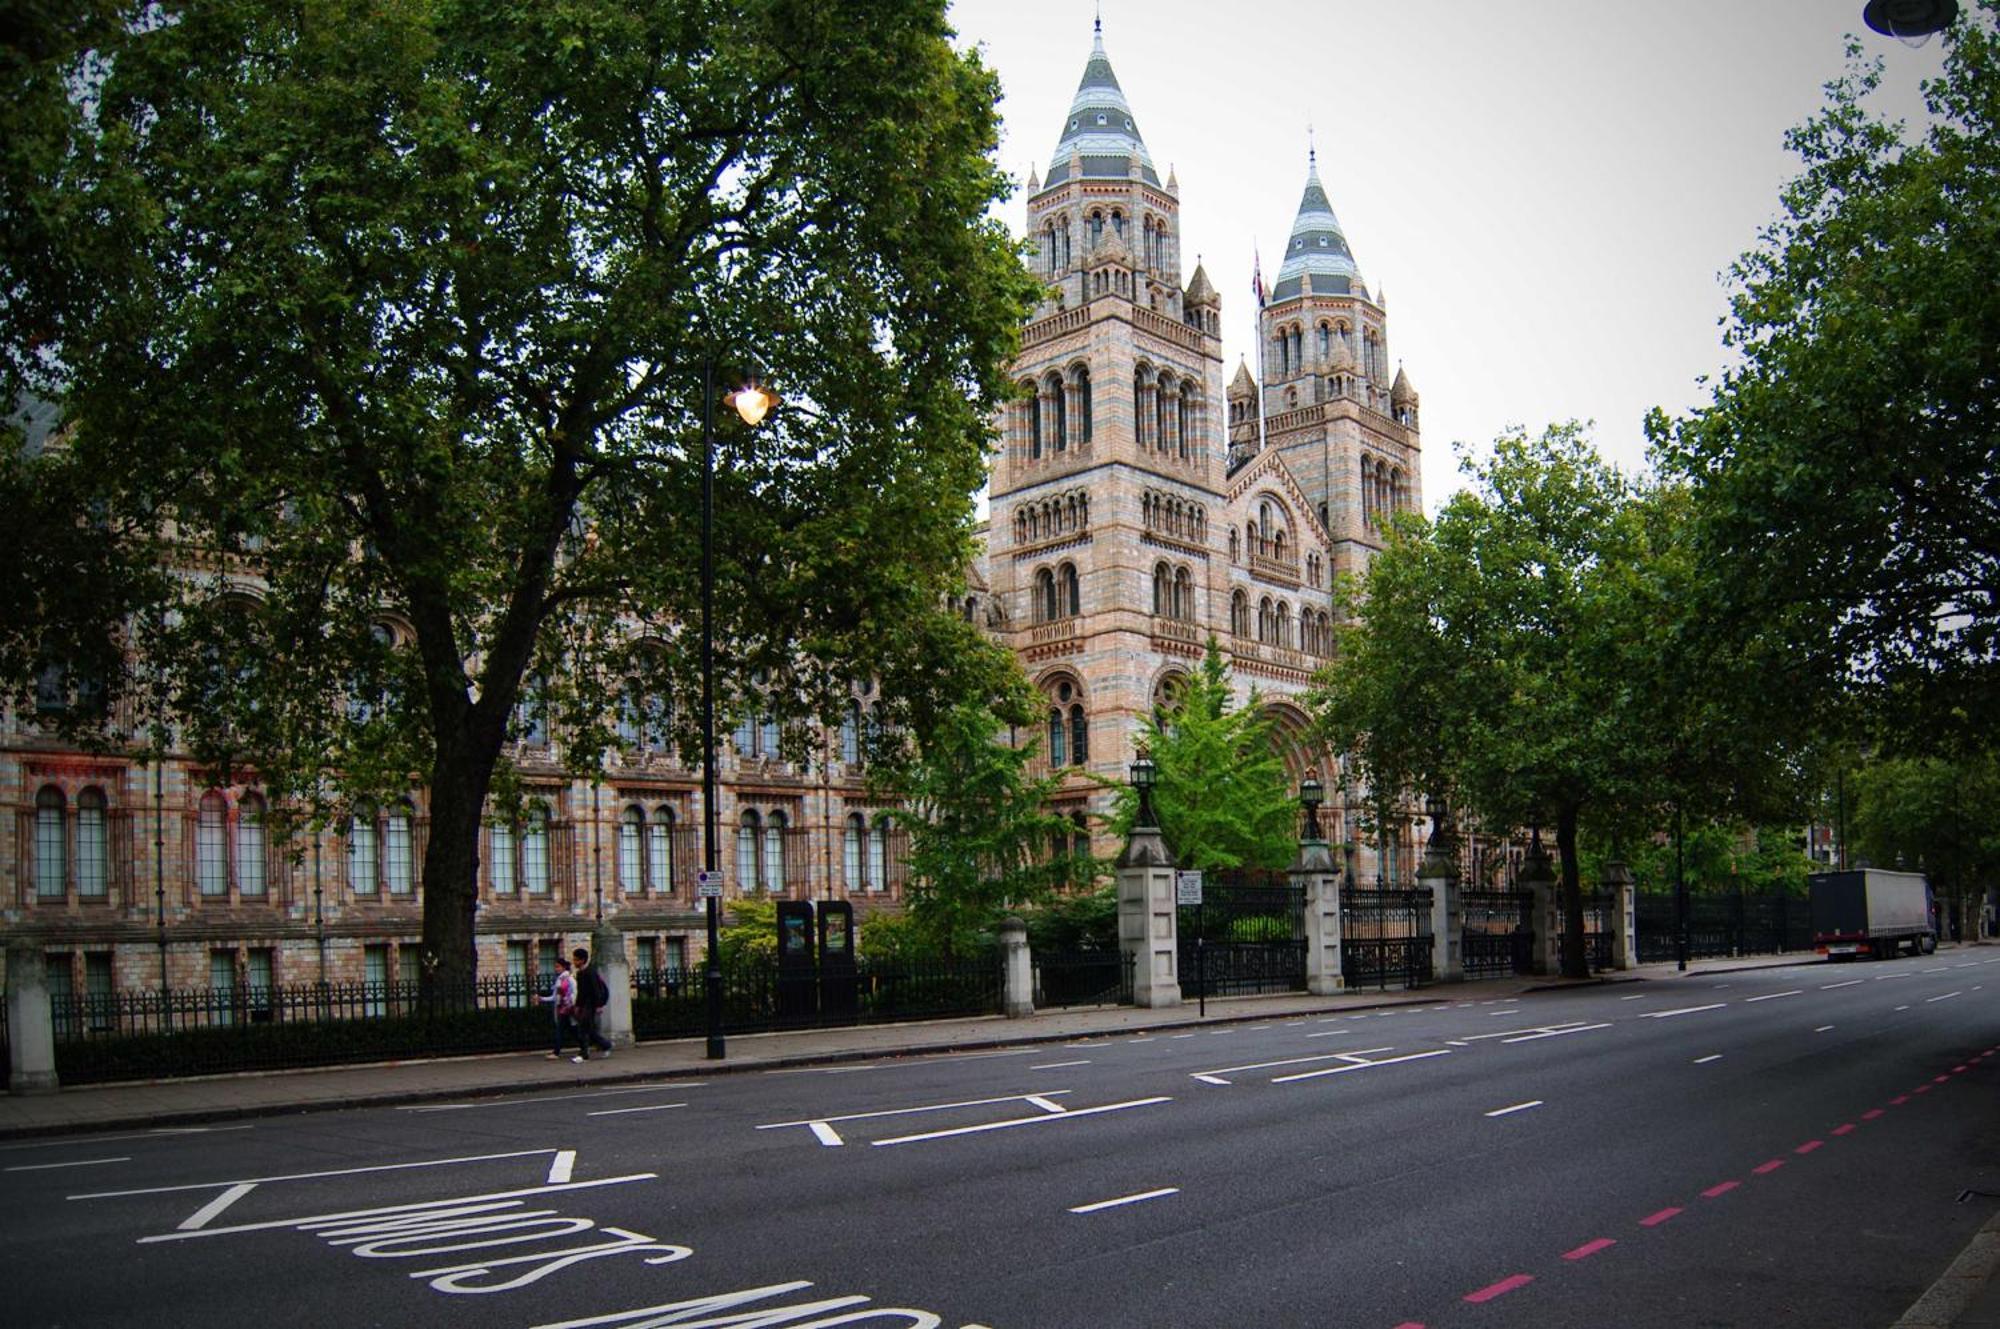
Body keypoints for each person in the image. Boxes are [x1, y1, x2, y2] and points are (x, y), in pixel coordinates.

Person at [539, 957, 589, 1062]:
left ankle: (556, 1052)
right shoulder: (559, 980)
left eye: (558, 966)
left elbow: (574, 993)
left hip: (568, 1008)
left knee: (560, 1030)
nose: (556, 969)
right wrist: (542, 998)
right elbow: (554, 997)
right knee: (572, 1030)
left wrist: (572, 1004)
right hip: (562, 1009)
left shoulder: (569, 979)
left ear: (564, 967)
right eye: (555, 967)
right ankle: (584, 1048)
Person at [572, 947, 613, 1058]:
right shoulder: (580, 973)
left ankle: (587, 1051)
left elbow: (595, 989)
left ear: (582, 960)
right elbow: (581, 992)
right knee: (587, 1028)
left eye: (576, 960)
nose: (574, 962)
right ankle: (603, 1046)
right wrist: (577, 1005)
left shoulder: (590, 972)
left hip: (591, 1003)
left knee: (584, 1028)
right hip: (585, 1003)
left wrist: (599, 1005)